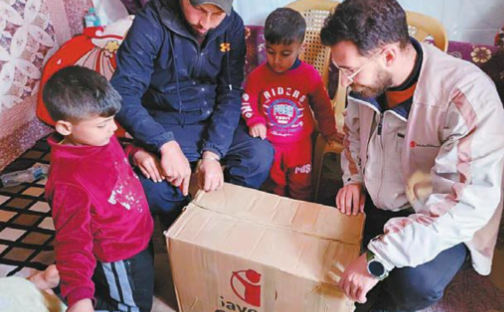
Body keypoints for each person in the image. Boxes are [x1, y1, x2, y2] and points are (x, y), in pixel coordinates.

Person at [320, 0, 504, 311]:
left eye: (350, 70)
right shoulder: (365, 84)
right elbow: (353, 134)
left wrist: (376, 259)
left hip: (440, 216)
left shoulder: (468, 97)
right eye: (340, 70)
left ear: (389, 55)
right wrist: (353, 179)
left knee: (413, 284)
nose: (344, 82)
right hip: (380, 198)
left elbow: (464, 205)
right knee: (329, 254)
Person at [111, 0, 274, 227]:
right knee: (154, 189)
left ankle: (223, 215)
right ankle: (181, 226)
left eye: (215, 14)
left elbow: (230, 92)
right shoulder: (151, 23)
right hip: (165, 122)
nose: (205, 24)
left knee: (259, 154)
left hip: (211, 118)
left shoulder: (232, 25)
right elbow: (122, 94)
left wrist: (213, 153)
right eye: (199, 10)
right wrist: (164, 143)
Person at [43, 66, 154, 312]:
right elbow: (72, 241)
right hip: (118, 252)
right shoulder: (68, 182)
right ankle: (70, 292)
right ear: (65, 127)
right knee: (133, 307)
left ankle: (70, 283)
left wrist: (136, 153)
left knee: (142, 288)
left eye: (112, 119)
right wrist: (79, 299)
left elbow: (112, 158)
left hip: (138, 235)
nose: (114, 129)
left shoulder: (97, 138)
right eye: (103, 124)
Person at [241, 8, 342, 201]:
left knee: (302, 188)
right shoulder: (257, 76)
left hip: (300, 146)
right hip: (270, 146)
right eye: (271, 52)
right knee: (274, 188)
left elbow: (322, 107)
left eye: (285, 54)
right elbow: (248, 102)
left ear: (300, 48)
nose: (277, 61)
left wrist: (329, 131)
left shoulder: (309, 75)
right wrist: (255, 121)